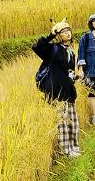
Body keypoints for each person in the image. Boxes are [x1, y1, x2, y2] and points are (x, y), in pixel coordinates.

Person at [33, 19, 81, 158]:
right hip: (56, 91)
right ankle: (66, 150)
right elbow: (37, 46)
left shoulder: (71, 52)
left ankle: (74, 146)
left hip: (68, 90)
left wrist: (75, 77)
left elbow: (69, 71)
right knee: (62, 122)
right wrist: (51, 35)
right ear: (59, 35)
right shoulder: (52, 49)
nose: (67, 33)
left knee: (72, 120)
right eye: (63, 31)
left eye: (68, 31)